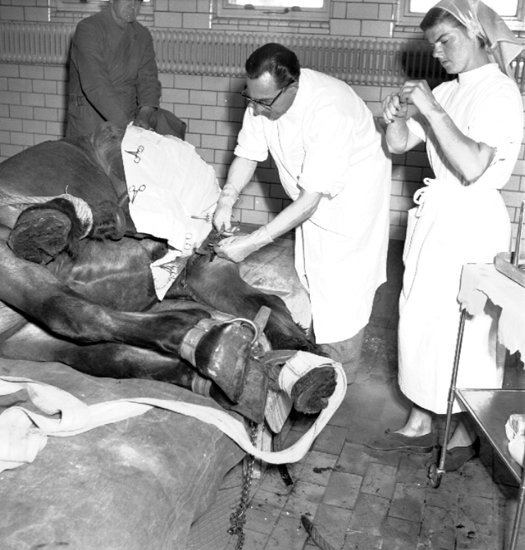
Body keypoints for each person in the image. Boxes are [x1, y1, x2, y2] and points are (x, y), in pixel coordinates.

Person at [365, 0, 524, 470]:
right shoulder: (448, 90)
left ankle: (464, 432)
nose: (436, 52)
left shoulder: (500, 94)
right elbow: (398, 145)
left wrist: (431, 108)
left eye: (444, 40)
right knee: (420, 319)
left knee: (466, 330)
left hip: (472, 223)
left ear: (476, 34)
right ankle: (419, 422)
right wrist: (395, 117)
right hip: (437, 219)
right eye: (432, 43)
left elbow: (473, 166)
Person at [212, 43, 392, 384]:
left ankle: (338, 380)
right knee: (310, 276)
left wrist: (252, 242)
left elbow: (311, 200)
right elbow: (248, 153)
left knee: (341, 296)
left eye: (264, 102)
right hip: (310, 200)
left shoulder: (330, 109)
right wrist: (227, 198)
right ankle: (316, 356)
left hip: (349, 207)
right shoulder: (262, 98)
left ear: (291, 88)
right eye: (250, 97)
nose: (256, 108)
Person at [66, 0, 185, 140]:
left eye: (137, 1)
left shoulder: (142, 34)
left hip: (129, 115)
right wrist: (128, 127)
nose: (132, 5)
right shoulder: (88, 29)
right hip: (91, 118)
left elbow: (148, 81)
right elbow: (96, 85)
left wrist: (144, 114)